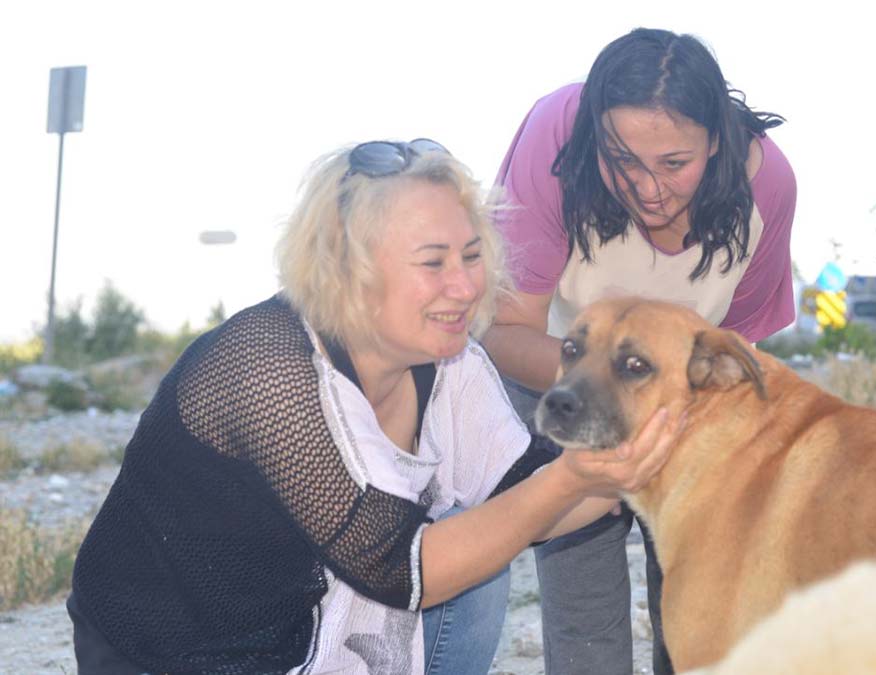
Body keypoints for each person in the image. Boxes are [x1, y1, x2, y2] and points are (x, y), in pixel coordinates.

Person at [66, 139, 682, 675]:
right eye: (432, 262)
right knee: (461, 550)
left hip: (315, 624)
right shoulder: (268, 369)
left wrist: (642, 462)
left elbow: (526, 491)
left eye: (471, 255)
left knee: (487, 543)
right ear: (349, 270)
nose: (466, 286)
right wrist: (574, 477)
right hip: (182, 656)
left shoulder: (449, 359)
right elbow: (402, 571)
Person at [483, 28, 798, 674]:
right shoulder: (556, 134)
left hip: (686, 402)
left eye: (674, 163)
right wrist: (607, 394)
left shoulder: (769, 187)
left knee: (697, 602)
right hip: (557, 375)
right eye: (622, 160)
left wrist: (669, 408)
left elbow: (740, 356)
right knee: (585, 599)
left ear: (716, 139)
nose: (648, 188)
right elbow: (504, 330)